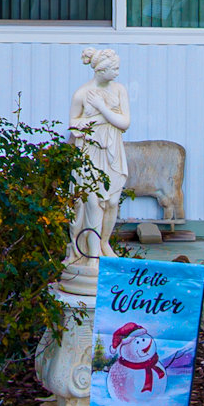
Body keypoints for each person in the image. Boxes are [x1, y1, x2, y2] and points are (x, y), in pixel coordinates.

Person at [63, 47, 130, 292]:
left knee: (111, 202)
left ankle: (103, 244)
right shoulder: (81, 94)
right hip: (90, 155)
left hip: (112, 153)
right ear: (101, 70)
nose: (118, 72)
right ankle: (91, 256)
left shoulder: (120, 90)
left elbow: (124, 123)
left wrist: (102, 109)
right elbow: (73, 127)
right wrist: (105, 117)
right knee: (92, 203)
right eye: (115, 69)